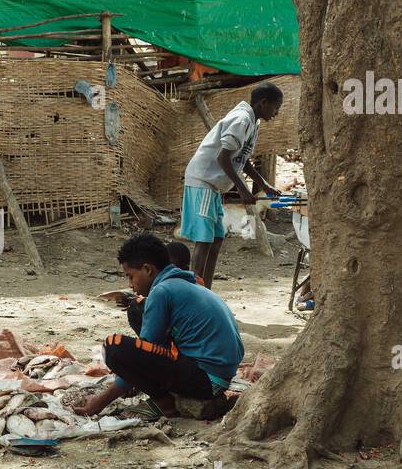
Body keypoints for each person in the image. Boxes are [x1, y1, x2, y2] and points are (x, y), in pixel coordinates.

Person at [75, 234, 244, 418]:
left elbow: (141, 359)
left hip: (205, 381)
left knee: (114, 347)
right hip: (218, 377)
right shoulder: (185, 283)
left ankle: (164, 401)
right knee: (137, 310)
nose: (130, 285)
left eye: (131, 276)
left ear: (147, 269)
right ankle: (165, 394)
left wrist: (99, 402)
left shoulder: (161, 291)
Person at [181, 82, 284, 288]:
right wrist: (243, 190)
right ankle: (195, 293)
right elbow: (223, 158)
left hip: (213, 187)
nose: (277, 112)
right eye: (276, 107)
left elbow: (242, 159)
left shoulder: (254, 122)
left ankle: (206, 291)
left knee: (216, 240)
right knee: (204, 241)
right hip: (203, 182)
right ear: (264, 103)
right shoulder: (242, 119)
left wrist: (264, 184)